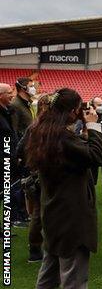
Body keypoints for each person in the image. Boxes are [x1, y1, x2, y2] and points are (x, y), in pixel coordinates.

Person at [25, 88, 102, 288]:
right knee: (74, 279)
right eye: (78, 109)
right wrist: (94, 126)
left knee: (49, 275)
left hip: (53, 211)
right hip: (72, 215)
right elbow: (96, 157)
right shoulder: (63, 138)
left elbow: (78, 155)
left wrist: (85, 132)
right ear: (71, 112)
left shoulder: (43, 132)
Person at [16, 93, 52, 262]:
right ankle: (42, 249)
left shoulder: (33, 126)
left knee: (38, 213)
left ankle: (35, 250)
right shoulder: (49, 128)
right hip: (45, 176)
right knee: (42, 213)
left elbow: (20, 149)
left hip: (35, 174)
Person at [10, 77, 36, 226]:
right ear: (22, 88)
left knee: (25, 183)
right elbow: (13, 131)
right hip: (21, 151)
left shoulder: (27, 104)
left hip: (28, 150)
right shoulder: (15, 106)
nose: (33, 88)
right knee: (17, 184)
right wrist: (16, 154)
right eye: (31, 86)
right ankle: (15, 217)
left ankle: (23, 214)